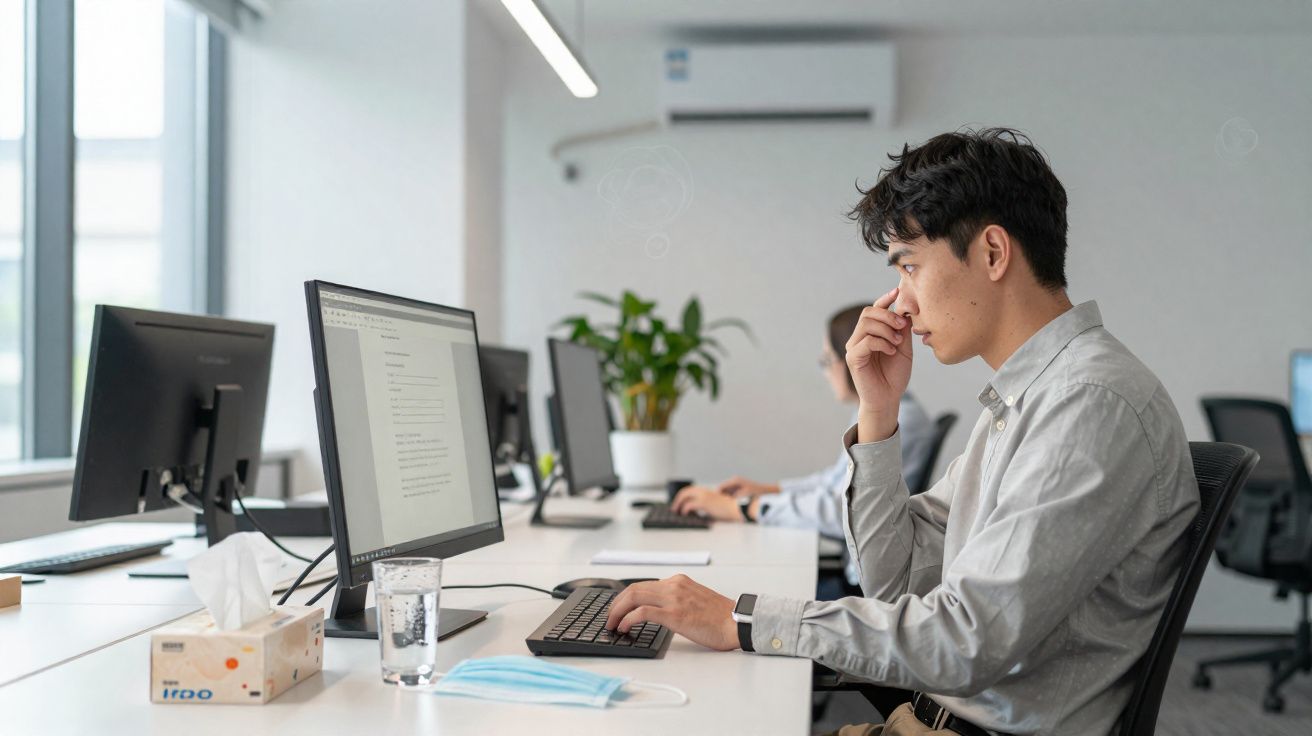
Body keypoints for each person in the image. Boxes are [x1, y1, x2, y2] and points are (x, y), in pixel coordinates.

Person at [604, 128, 1199, 736]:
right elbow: (893, 584)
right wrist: (877, 418)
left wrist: (745, 620)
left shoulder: (1087, 404)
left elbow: (965, 641)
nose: (902, 304)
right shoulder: (1028, 400)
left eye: (911, 267)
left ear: (993, 253)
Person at [667, 305, 936, 546]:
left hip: (858, 581)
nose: (826, 373)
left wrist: (745, 508)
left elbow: (843, 509)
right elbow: (833, 483)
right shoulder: (872, 412)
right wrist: (769, 490)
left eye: (827, 361)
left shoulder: (898, 418)